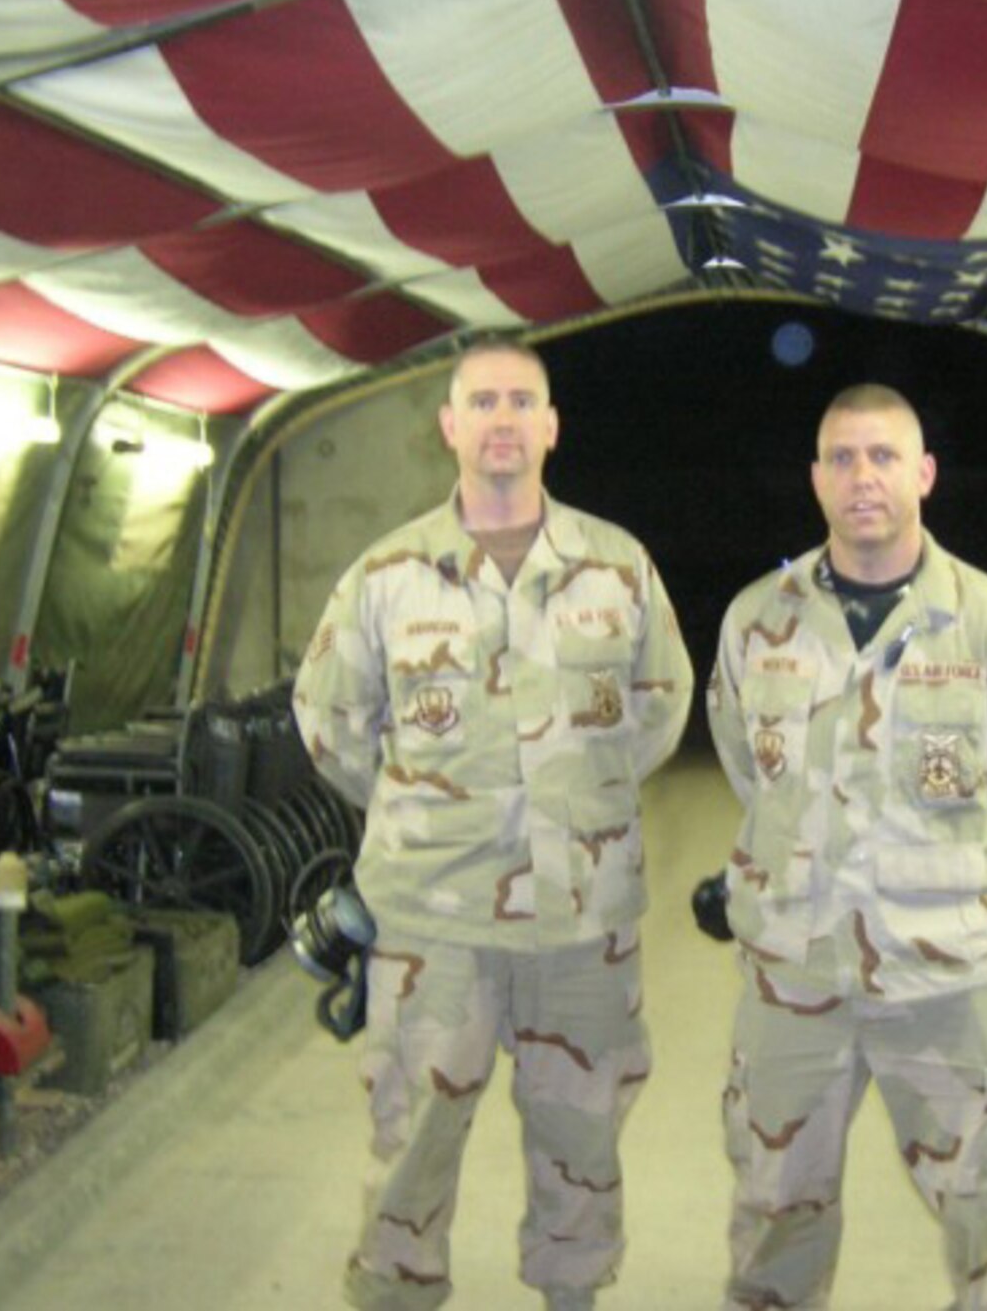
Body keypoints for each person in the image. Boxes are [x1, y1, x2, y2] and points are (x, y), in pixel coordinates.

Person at [293, 334, 693, 1311]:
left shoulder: (616, 567)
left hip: (580, 927)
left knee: (581, 1137)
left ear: (550, 427)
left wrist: (572, 807)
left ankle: (570, 1294)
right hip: (434, 927)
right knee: (413, 1132)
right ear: (450, 427)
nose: (503, 420)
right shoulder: (386, 576)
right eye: (483, 402)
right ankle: (395, 1293)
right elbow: (332, 727)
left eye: (522, 401)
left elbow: (658, 710)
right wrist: (430, 822)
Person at [703, 383, 987, 1311]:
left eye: (882, 456)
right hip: (795, 979)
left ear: (924, 473)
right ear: (817, 480)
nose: (861, 477)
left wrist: (944, 885)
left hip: (948, 984)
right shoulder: (759, 622)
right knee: (773, 1214)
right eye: (841, 458)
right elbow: (753, 772)